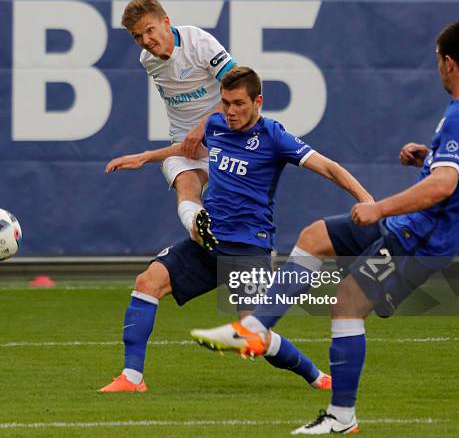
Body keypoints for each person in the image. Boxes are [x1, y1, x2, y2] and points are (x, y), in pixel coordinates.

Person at [190, 22, 459, 434]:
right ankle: (252, 328)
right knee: (314, 236)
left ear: (448, 62)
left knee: (347, 302)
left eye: (436, 61)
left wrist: (378, 208)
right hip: (409, 226)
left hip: (421, 237)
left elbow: (444, 186)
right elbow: (448, 173)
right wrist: (429, 158)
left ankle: (341, 417)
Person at [99, 66, 374, 393]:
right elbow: (186, 151)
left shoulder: (274, 136)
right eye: (226, 103)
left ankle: (315, 376)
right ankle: (132, 378)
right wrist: (144, 157)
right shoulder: (216, 126)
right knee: (148, 282)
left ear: (258, 101)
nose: (230, 111)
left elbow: (328, 167)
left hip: (248, 247)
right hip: (208, 239)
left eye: (239, 104)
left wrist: (367, 200)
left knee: (252, 333)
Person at [106, 0, 236, 247]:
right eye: (137, 36)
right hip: (184, 144)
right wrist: (192, 135)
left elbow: (238, 88)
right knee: (186, 183)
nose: (145, 40)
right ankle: (198, 230)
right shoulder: (147, 60)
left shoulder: (199, 42)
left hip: (226, 139)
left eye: (149, 30)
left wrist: (203, 127)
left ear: (166, 22)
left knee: (243, 216)